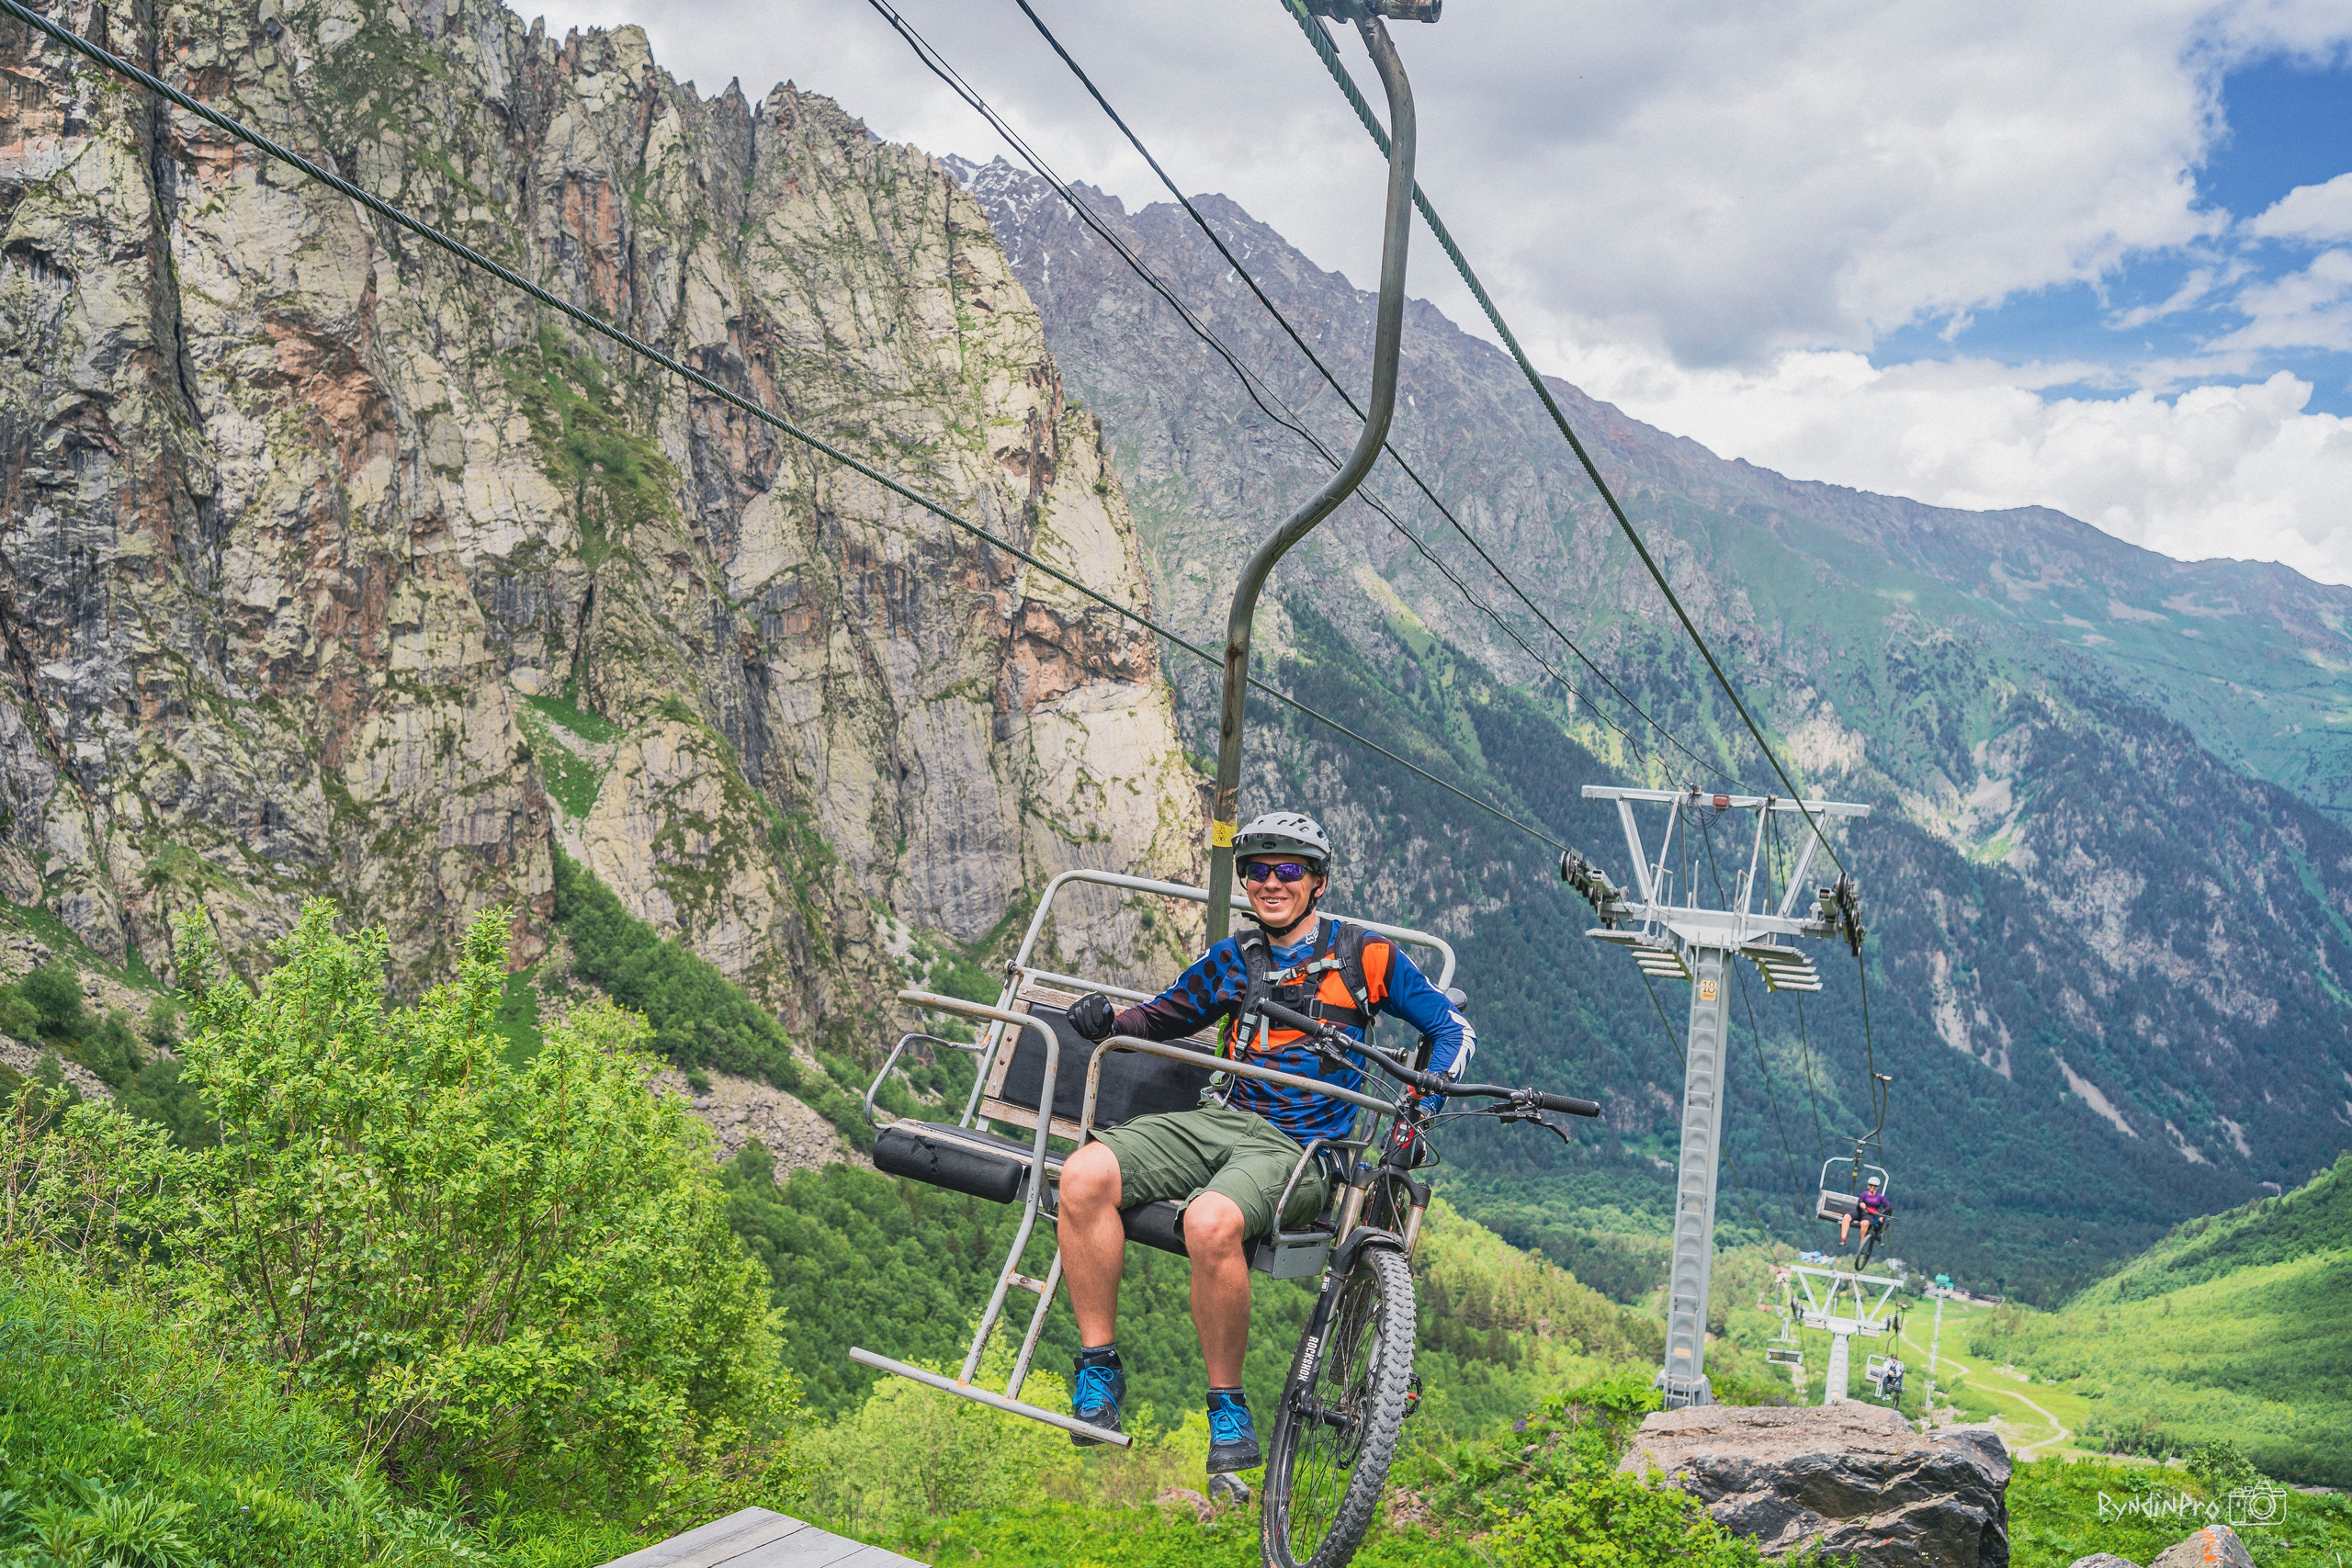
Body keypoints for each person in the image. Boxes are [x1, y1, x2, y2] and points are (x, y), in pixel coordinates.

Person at [1055, 811, 1472, 1485]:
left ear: (1318, 880)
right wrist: (1108, 1018)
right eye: (1257, 870)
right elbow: (1162, 1016)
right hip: (1222, 1120)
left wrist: (1425, 1100)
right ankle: (1098, 1370)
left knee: (1209, 1221)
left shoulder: (1365, 955)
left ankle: (1229, 1407)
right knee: (1083, 1174)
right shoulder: (1235, 959)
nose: (1270, 883)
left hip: (1305, 1148)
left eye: (1288, 870)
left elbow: (1450, 1027)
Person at [1844, 1174, 1891, 1251]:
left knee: (1865, 1223)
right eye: (1871, 1185)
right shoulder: (1864, 1194)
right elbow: (1860, 1201)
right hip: (1862, 1212)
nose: (1872, 1187)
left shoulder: (1880, 1197)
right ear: (1868, 1186)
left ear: (1877, 1187)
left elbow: (1888, 1206)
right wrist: (1861, 1204)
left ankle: (1861, 1246)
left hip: (1871, 1214)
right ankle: (1843, 1239)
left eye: (1875, 1186)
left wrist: (1883, 1215)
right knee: (1847, 1216)